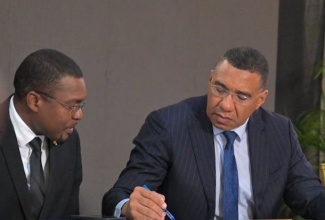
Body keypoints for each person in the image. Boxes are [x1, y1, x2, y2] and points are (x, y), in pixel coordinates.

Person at [102, 46, 325, 220]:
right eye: (220, 89)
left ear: (261, 99)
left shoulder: (279, 132)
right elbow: (118, 195)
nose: (226, 105)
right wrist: (130, 206)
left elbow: (310, 196)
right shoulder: (168, 125)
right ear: (210, 80)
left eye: (241, 96)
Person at [0, 49, 86, 219]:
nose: (79, 115)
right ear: (35, 101)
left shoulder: (70, 142)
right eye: (72, 106)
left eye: (81, 105)